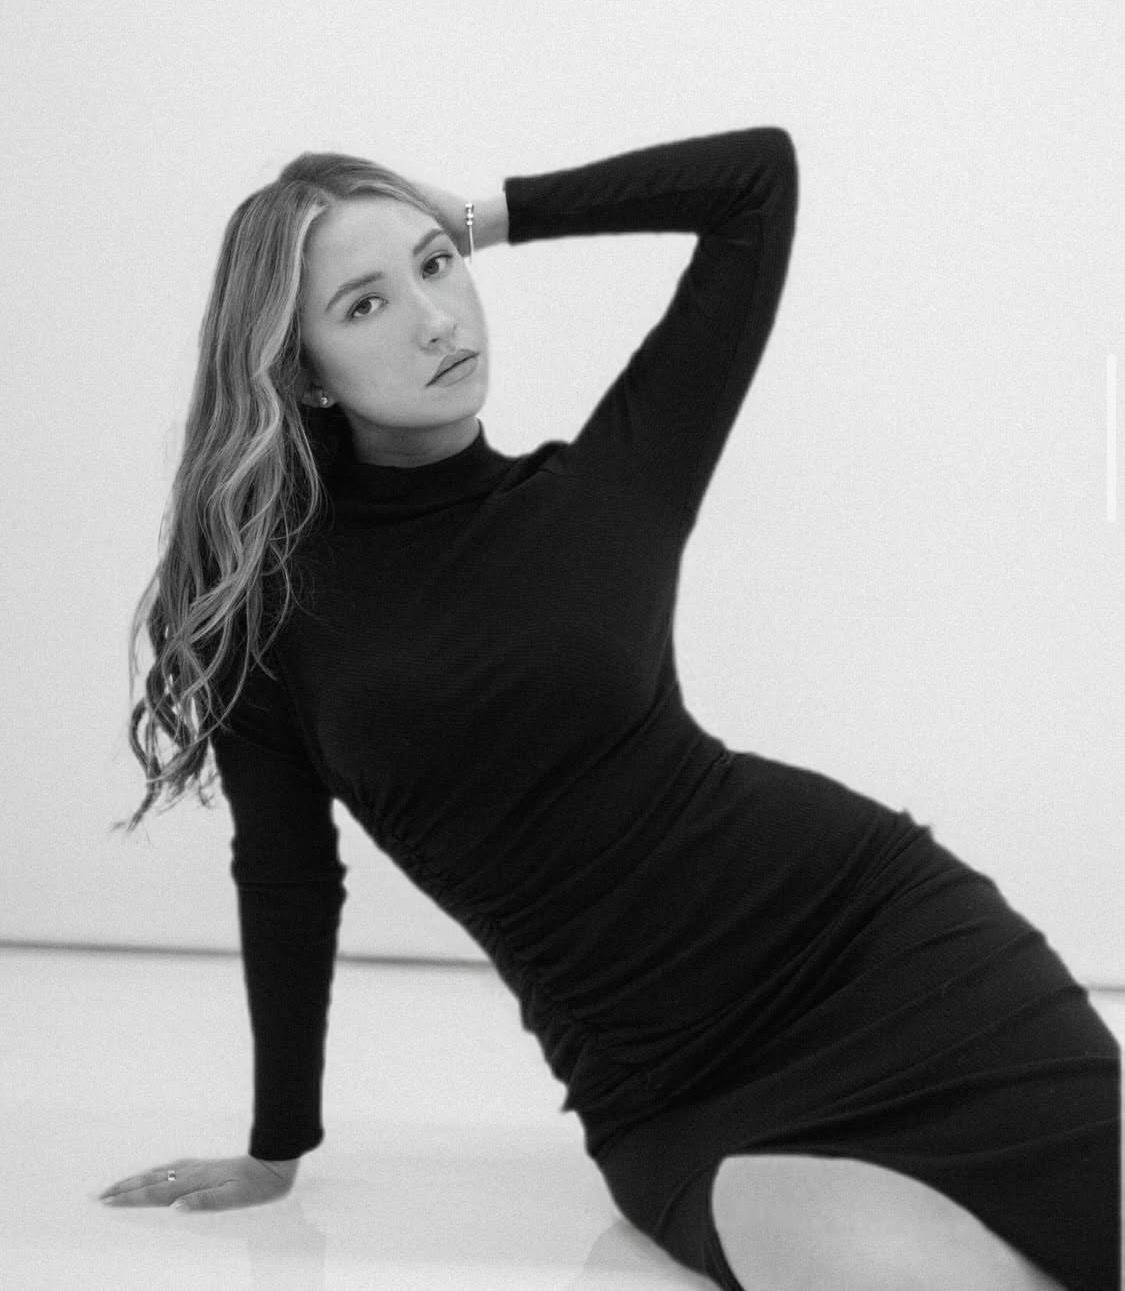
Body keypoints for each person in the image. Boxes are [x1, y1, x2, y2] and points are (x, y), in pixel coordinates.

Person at [99, 127, 1119, 1291]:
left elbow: (757, 182)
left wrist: (487, 215)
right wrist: (278, 1144)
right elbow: (287, 876)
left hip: (884, 944)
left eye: (437, 266)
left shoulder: (607, 483)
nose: (435, 318)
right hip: (673, 1086)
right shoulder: (269, 609)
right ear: (304, 370)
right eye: (366, 303)